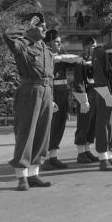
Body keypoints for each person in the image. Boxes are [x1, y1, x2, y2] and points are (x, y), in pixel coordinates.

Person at [3, 12, 55, 190]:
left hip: (46, 92)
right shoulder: (23, 45)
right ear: (32, 28)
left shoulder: (46, 49)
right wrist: (27, 24)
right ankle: (22, 177)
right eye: (41, 26)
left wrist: (51, 97)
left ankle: (34, 174)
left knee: (42, 134)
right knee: (26, 133)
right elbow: (8, 34)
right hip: (29, 91)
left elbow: (49, 74)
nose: (45, 29)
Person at [92, 24, 112, 171]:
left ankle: (110, 156)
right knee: (104, 125)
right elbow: (99, 74)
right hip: (108, 91)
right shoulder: (99, 51)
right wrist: (106, 94)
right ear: (106, 37)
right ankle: (103, 158)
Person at [41, 29, 71, 170]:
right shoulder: (45, 55)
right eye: (57, 42)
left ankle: (53, 157)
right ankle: (45, 158)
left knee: (59, 126)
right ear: (49, 42)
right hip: (52, 93)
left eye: (60, 42)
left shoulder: (61, 55)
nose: (60, 44)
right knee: (50, 127)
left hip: (63, 93)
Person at [73, 36, 100, 164]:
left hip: (95, 95)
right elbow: (78, 82)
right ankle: (81, 153)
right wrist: (84, 100)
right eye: (93, 46)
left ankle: (88, 149)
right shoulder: (80, 61)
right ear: (86, 47)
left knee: (92, 124)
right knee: (83, 124)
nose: (94, 49)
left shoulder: (94, 61)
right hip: (85, 96)